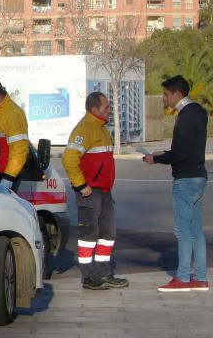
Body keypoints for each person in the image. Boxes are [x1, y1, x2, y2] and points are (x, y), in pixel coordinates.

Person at [144, 75, 209, 292]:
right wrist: (164, 153)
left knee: (183, 231)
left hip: (186, 179)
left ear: (177, 94)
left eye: (166, 94)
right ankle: (200, 278)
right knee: (195, 231)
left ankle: (182, 278)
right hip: (199, 175)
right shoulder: (199, 112)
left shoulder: (185, 115)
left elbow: (181, 152)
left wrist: (157, 158)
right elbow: (189, 148)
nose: (164, 99)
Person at [62, 92, 128, 290]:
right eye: (106, 107)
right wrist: (81, 185)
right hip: (90, 192)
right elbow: (69, 158)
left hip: (104, 191)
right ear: (95, 109)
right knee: (89, 236)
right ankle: (90, 277)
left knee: (107, 234)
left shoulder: (101, 127)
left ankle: (104, 274)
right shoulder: (85, 128)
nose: (110, 110)